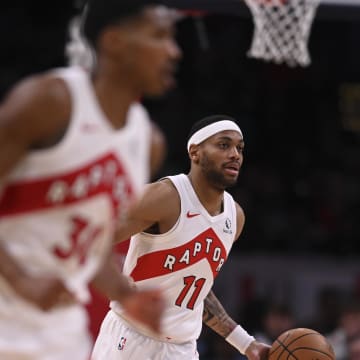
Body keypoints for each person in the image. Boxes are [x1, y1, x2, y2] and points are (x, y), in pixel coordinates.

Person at [0, 0, 182, 358]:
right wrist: (22, 279)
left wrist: (128, 296)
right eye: (159, 36)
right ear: (114, 41)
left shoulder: (148, 142)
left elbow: (94, 245)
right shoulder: (50, 101)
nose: (173, 51)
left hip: (59, 330)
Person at [91, 115, 271, 359]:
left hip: (182, 349)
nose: (235, 154)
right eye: (223, 145)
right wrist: (121, 291)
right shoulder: (164, 197)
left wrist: (246, 344)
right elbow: (90, 239)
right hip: (131, 339)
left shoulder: (235, 218)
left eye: (239, 148)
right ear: (195, 152)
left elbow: (196, 288)